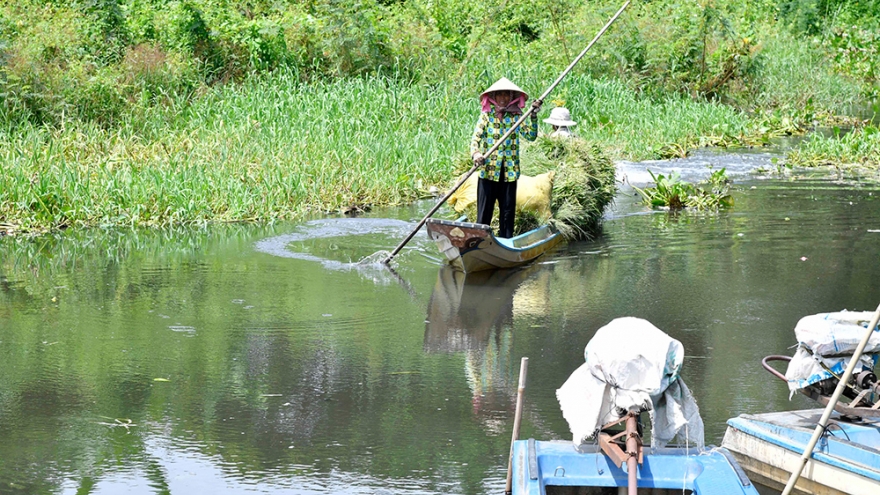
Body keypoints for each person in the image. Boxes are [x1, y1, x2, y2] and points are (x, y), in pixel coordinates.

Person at [469, 77, 542, 238]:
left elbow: (531, 136)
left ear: (511, 97)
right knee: (484, 214)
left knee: (507, 215)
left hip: (509, 173)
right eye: (499, 95)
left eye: (506, 95)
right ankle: (480, 242)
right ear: (493, 97)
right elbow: (475, 139)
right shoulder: (486, 116)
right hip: (488, 172)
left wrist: (533, 116)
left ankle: (506, 241)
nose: (503, 98)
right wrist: (476, 154)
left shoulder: (516, 117)